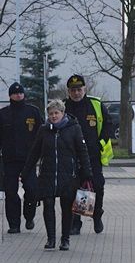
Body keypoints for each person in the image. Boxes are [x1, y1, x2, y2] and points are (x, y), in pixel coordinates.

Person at [22, 100, 92, 251]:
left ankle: (65, 239)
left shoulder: (74, 128)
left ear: (62, 113)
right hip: (47, 174)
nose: (53, 116)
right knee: (48, 205)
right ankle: (51, 239)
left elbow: (82, 151)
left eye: (56, 113)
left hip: (68, 175)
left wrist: (87, 172)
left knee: (66, 207)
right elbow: (35, 152)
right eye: (51, 114)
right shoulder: (43, 130)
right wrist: (26, 171)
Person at [64, 74, 113, 235]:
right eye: (73, 90)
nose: (76, 93)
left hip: (92, 155)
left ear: (84, 89)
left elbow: (108, 125)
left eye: (79, 89)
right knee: (74, 190)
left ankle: (96, 215)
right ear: (68, 92)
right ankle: (75, 223)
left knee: (97, 186)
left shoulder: (95, 104)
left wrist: (100, 144)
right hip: (71, 157)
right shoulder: (64, 107)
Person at [0, 82, 43, 233]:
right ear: (10, 96)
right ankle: (14, 224)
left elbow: (42, 134)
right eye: (15, 93)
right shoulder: (3, 114)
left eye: (20, 93)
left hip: (28, 160)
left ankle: (29, 216)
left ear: (24, 94)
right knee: (11, 193)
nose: (18, 95)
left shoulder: (33, 112)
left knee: (31, 190)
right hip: (9, 160)